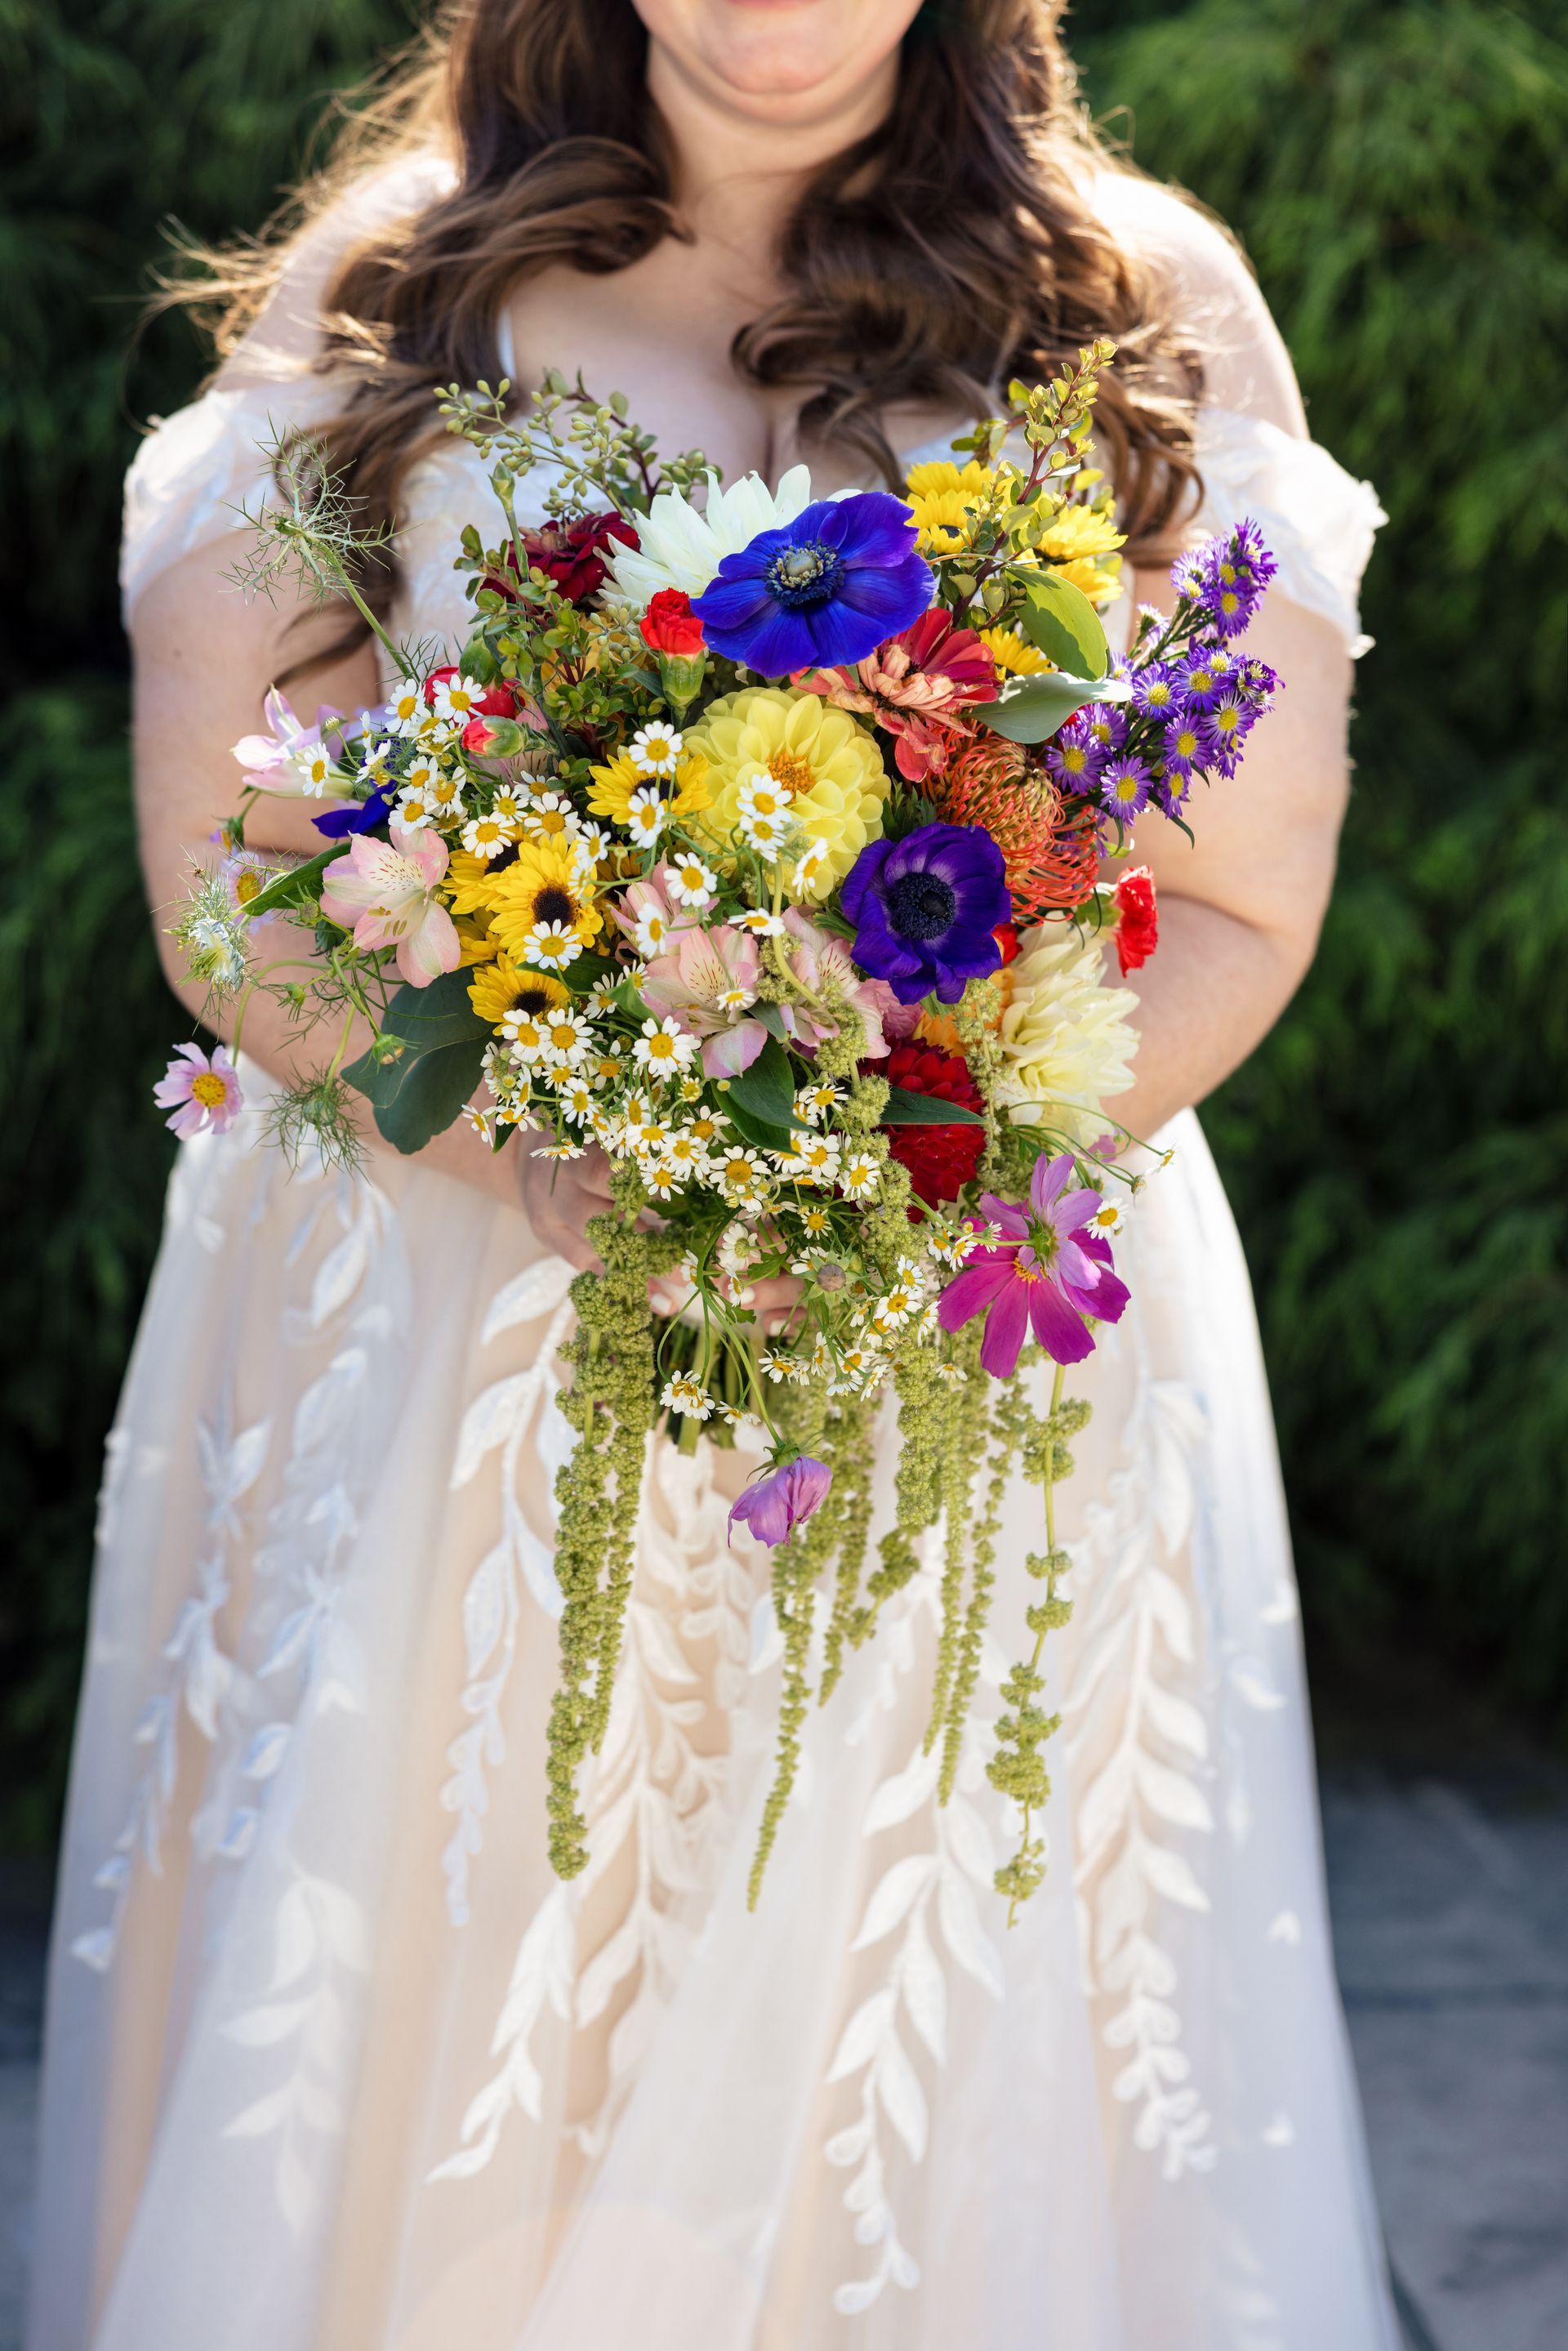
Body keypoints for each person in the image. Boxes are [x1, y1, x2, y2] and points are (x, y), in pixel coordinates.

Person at [29, 3, 1396, 2344]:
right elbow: (229, 874)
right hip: (462, 1333)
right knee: (461, 2018)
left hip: (971, 1320)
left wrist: (900, 1175)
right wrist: (557, 1157)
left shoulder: (1144, 305)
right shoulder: (394, 285)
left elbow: (1246, 904)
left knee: (934, 2035)